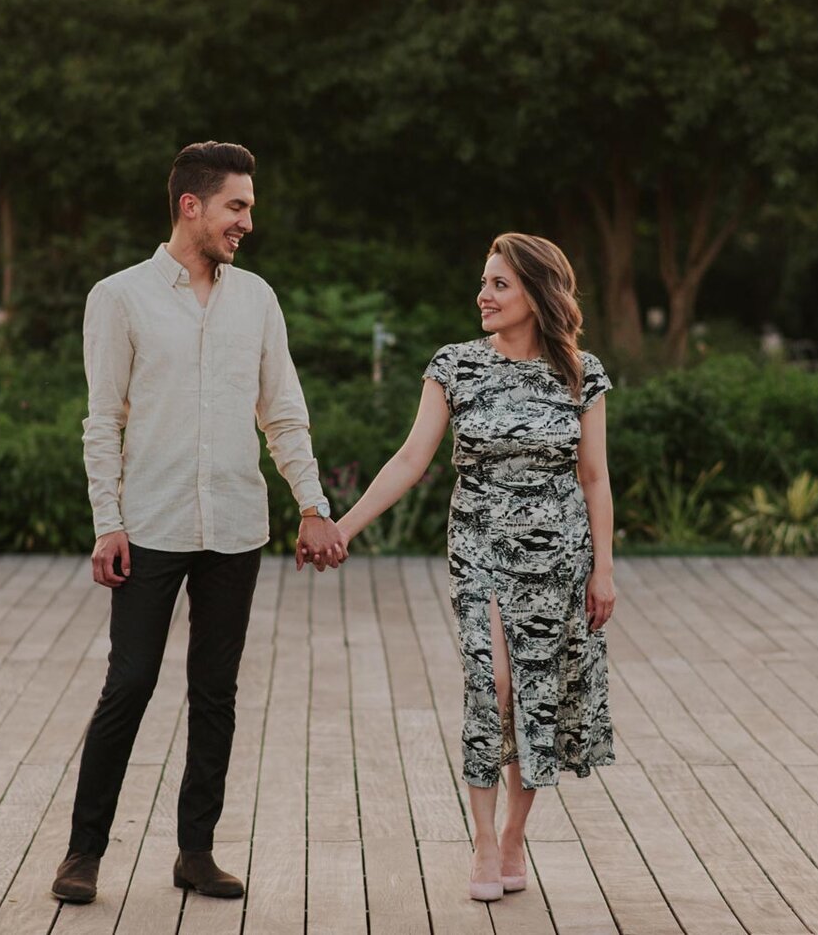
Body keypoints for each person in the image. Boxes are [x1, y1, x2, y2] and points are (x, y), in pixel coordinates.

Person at [52, 141, 347, 906]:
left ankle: (196, 851)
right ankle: (83, 854)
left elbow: (283, 411)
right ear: (192, 205)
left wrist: (312, 506)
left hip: (236, 529)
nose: (248, 220)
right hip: (148, 526)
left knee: (216, 692)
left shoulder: (257, 300)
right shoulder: (119, 297)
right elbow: (101, 420)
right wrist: (106, 522)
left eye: (248, 206)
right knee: (131, 684)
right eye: (237, 206)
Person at [305, 231, 615, 902]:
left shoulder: (581, 373)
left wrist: (605, 571)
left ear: (537, 293)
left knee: (536, 695)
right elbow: (410, 461)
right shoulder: (454, 366)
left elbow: (595, 478)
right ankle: (480, 841)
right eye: (484, 282)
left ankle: (512, 839)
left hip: (559, 559)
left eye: (499, 284)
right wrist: (342, 527)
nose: (483, 294)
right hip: (478, 552)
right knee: (491, 684)